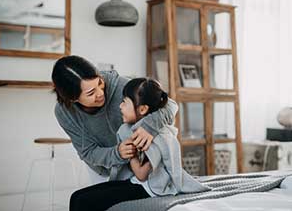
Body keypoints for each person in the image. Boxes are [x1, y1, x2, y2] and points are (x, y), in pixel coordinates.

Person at [69, 78, 209, 211]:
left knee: (83, 201)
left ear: (142, 109)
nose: (120, 106)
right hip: (137, 182)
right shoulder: (133, 128)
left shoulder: (149, 136)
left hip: (150, 188)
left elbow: (142, 174)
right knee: (76, 196)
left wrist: (131, 152)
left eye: (124, 102)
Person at [51, 55, 178, 183]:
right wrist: (117, 153)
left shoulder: (122, 86)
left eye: (99, 82)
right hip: (104, 170)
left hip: (140, 165)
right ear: (73, 99)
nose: (100, 93)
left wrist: (150, 126)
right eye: (91, 93)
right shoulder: (64, 113)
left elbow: (171, 106)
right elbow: (88, 152)